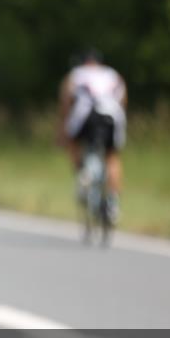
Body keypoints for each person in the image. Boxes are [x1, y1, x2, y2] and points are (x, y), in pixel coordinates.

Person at [59, 49, 127, 222]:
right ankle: (112, 204)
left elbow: (66, 100)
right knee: (112, 156)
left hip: (86, 116)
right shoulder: (112, 74)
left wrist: (63, 130)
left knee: (72, 142)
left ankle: (82, 173)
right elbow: (123, 98)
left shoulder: (76, 74)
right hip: (112, 116)